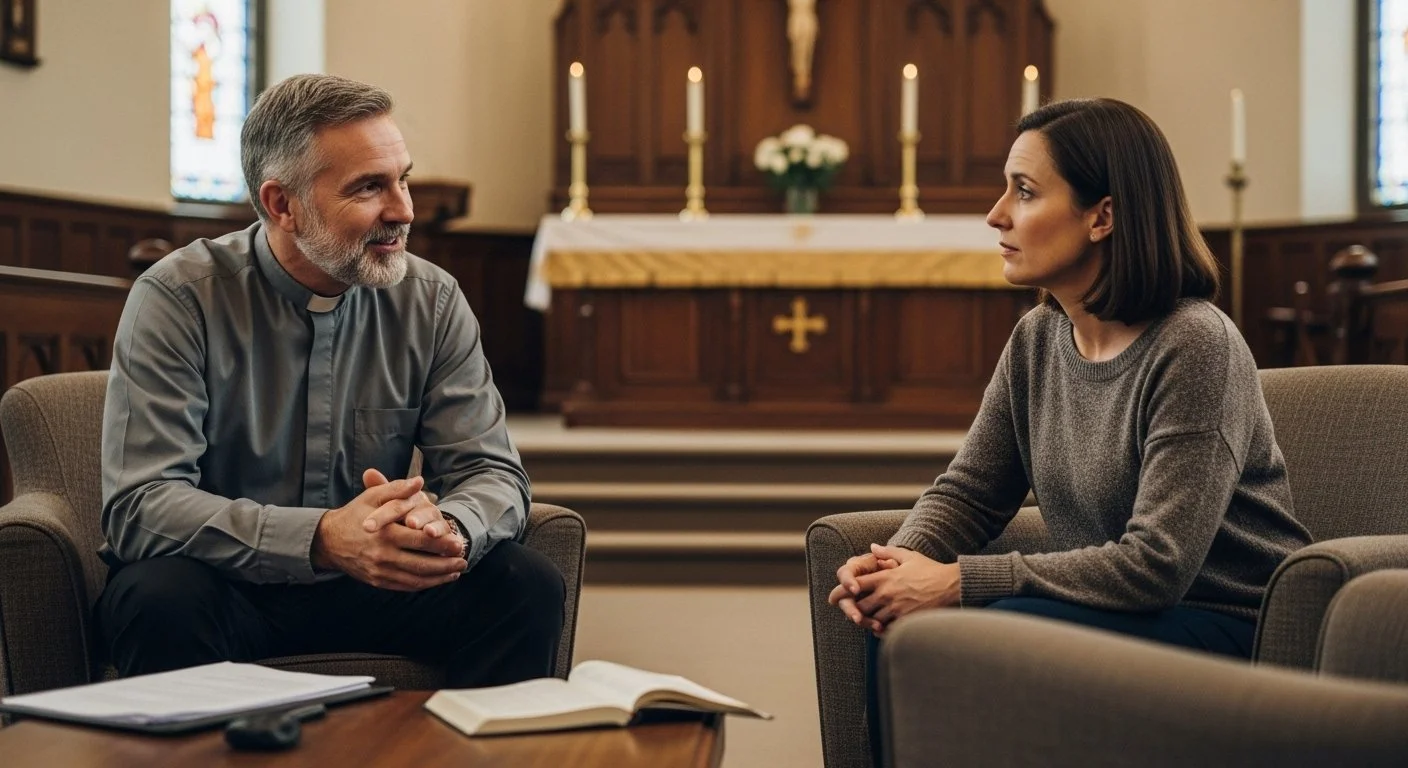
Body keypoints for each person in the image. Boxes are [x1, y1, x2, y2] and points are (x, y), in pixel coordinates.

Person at [826, 97, 1314, 757]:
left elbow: (1157, 565)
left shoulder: (1195, 343)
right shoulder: (1038, 338)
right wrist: (900, 563)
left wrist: (957, 581)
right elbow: (970, 491)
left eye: (1023, 191)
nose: (995, 214)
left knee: (980, 630)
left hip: (1225, 627)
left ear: (1102, 216)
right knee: (901, 624)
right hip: (1110, 612)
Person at [96, 74, 564, 688]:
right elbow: (141, 505)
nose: (403, 211)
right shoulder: (180, 297)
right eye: (369, 187)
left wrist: (447, 530)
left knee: (523, 585)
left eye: (403, 179)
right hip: (227, 587)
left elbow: (492, 471)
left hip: (380, 585)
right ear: (281, 204)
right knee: (156, 597)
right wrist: (320, 538)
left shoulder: (433, 301)